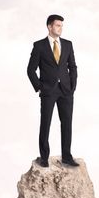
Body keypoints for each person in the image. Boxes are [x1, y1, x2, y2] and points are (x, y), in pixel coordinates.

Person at [27, 14, 79, 167]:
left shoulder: (68, 44)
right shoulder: (39, 46)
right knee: (46, 123)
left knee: (67, 123)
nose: (60, 28)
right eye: (57, 25)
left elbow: (73, 66)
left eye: (62, 26)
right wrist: (39, 86)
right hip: (48, 91)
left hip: (66, 91)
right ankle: (44, 157)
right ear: (50, 27)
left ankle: (67, 156)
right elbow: (30, 70)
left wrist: (72, 86)